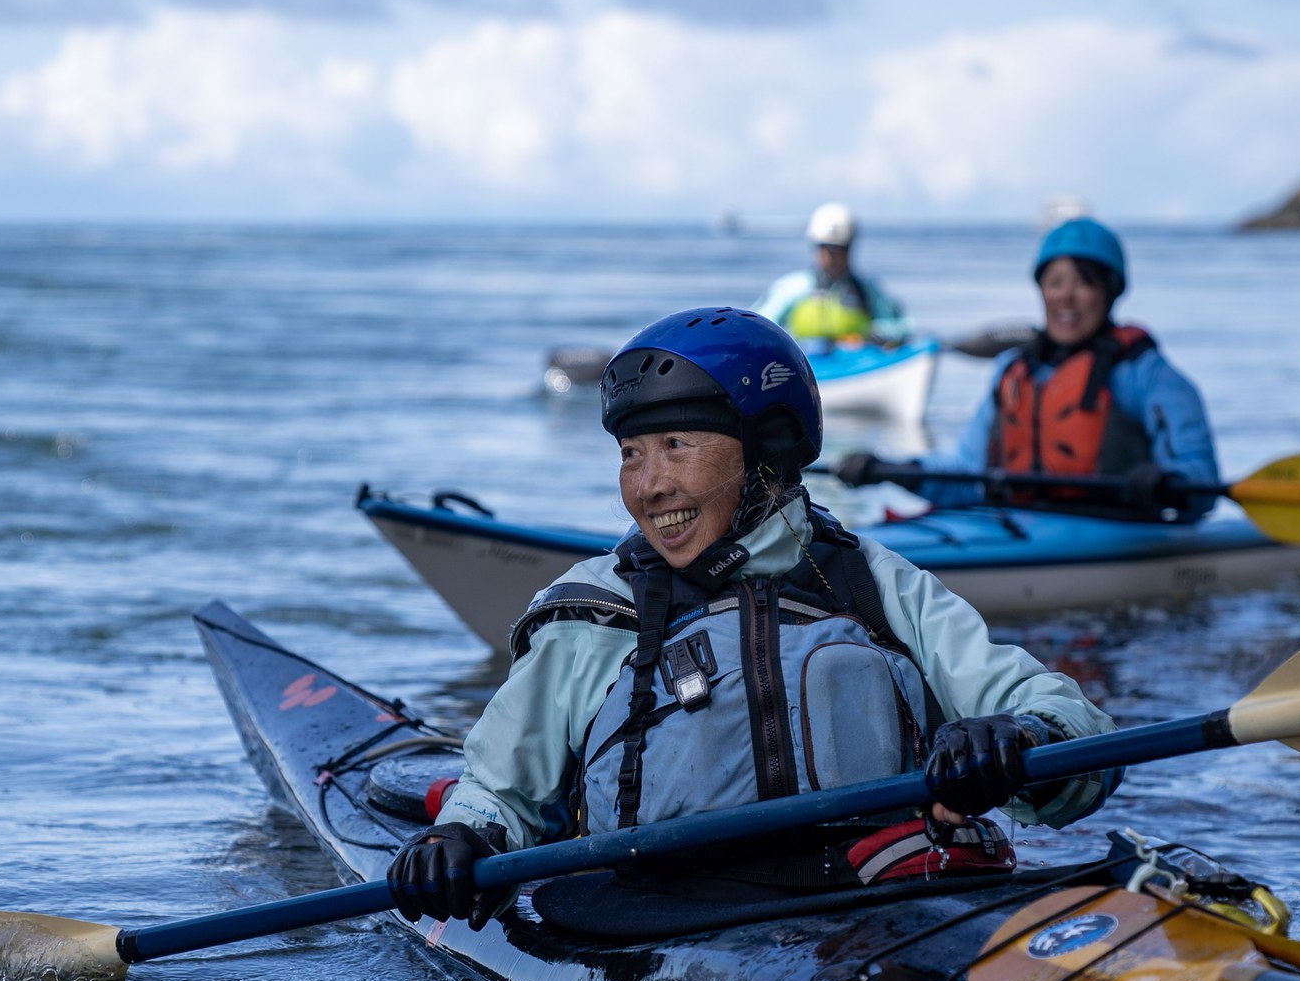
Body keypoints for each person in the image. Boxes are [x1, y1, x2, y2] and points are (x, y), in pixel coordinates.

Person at [387, 307, 1119, 927]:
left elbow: (1078, 733)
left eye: (676, 445)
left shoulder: (873, 584)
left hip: (871, 902)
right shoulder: (593, 610)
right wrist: (462, 839)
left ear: (766, 449)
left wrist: (1018, 737)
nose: (648, 487)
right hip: (659, 917)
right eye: (631, 453)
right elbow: (501, 790)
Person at [839, 218, 1219, 519]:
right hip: (1016, 526)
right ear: (1041, 290)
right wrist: (894, 470)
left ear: (1110, 290)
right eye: (1054, 282)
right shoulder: (1013, 371)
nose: (1066, 296)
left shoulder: (1148, 375)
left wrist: (1167, 484)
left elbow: (1201, 481)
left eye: (1083, 283)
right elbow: (968, 474)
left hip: (1115, 531)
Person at [756, 202, 907, 347]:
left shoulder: (866, 289)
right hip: (806, 359)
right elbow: (760, 324)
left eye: (840, 250)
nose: (833, 258)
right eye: (827, 249)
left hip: (858, 359)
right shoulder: (793, 287)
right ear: (817, 248)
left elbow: (901, 326)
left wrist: (877, 334)